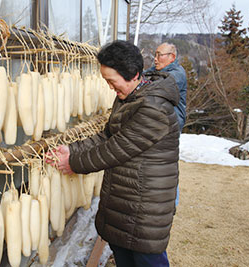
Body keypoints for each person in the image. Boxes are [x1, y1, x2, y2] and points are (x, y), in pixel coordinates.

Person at [51, 40, 180, 267]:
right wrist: (72, 148)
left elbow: (115, 149)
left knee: (148, 259)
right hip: (127, 199)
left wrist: (73, 163)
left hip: (145, 206)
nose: (110, 87)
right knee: (125, 257)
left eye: (112, 81)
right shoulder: (129, 98)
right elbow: (107, 135)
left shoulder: (154, 107)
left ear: (133, 75)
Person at [147, 42, 187, 130]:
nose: (155, 59)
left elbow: (159, 89)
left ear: (172, 57)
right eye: (155, 55)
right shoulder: (157, 70)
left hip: (171, 123)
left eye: (159, 55)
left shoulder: (177, 74)